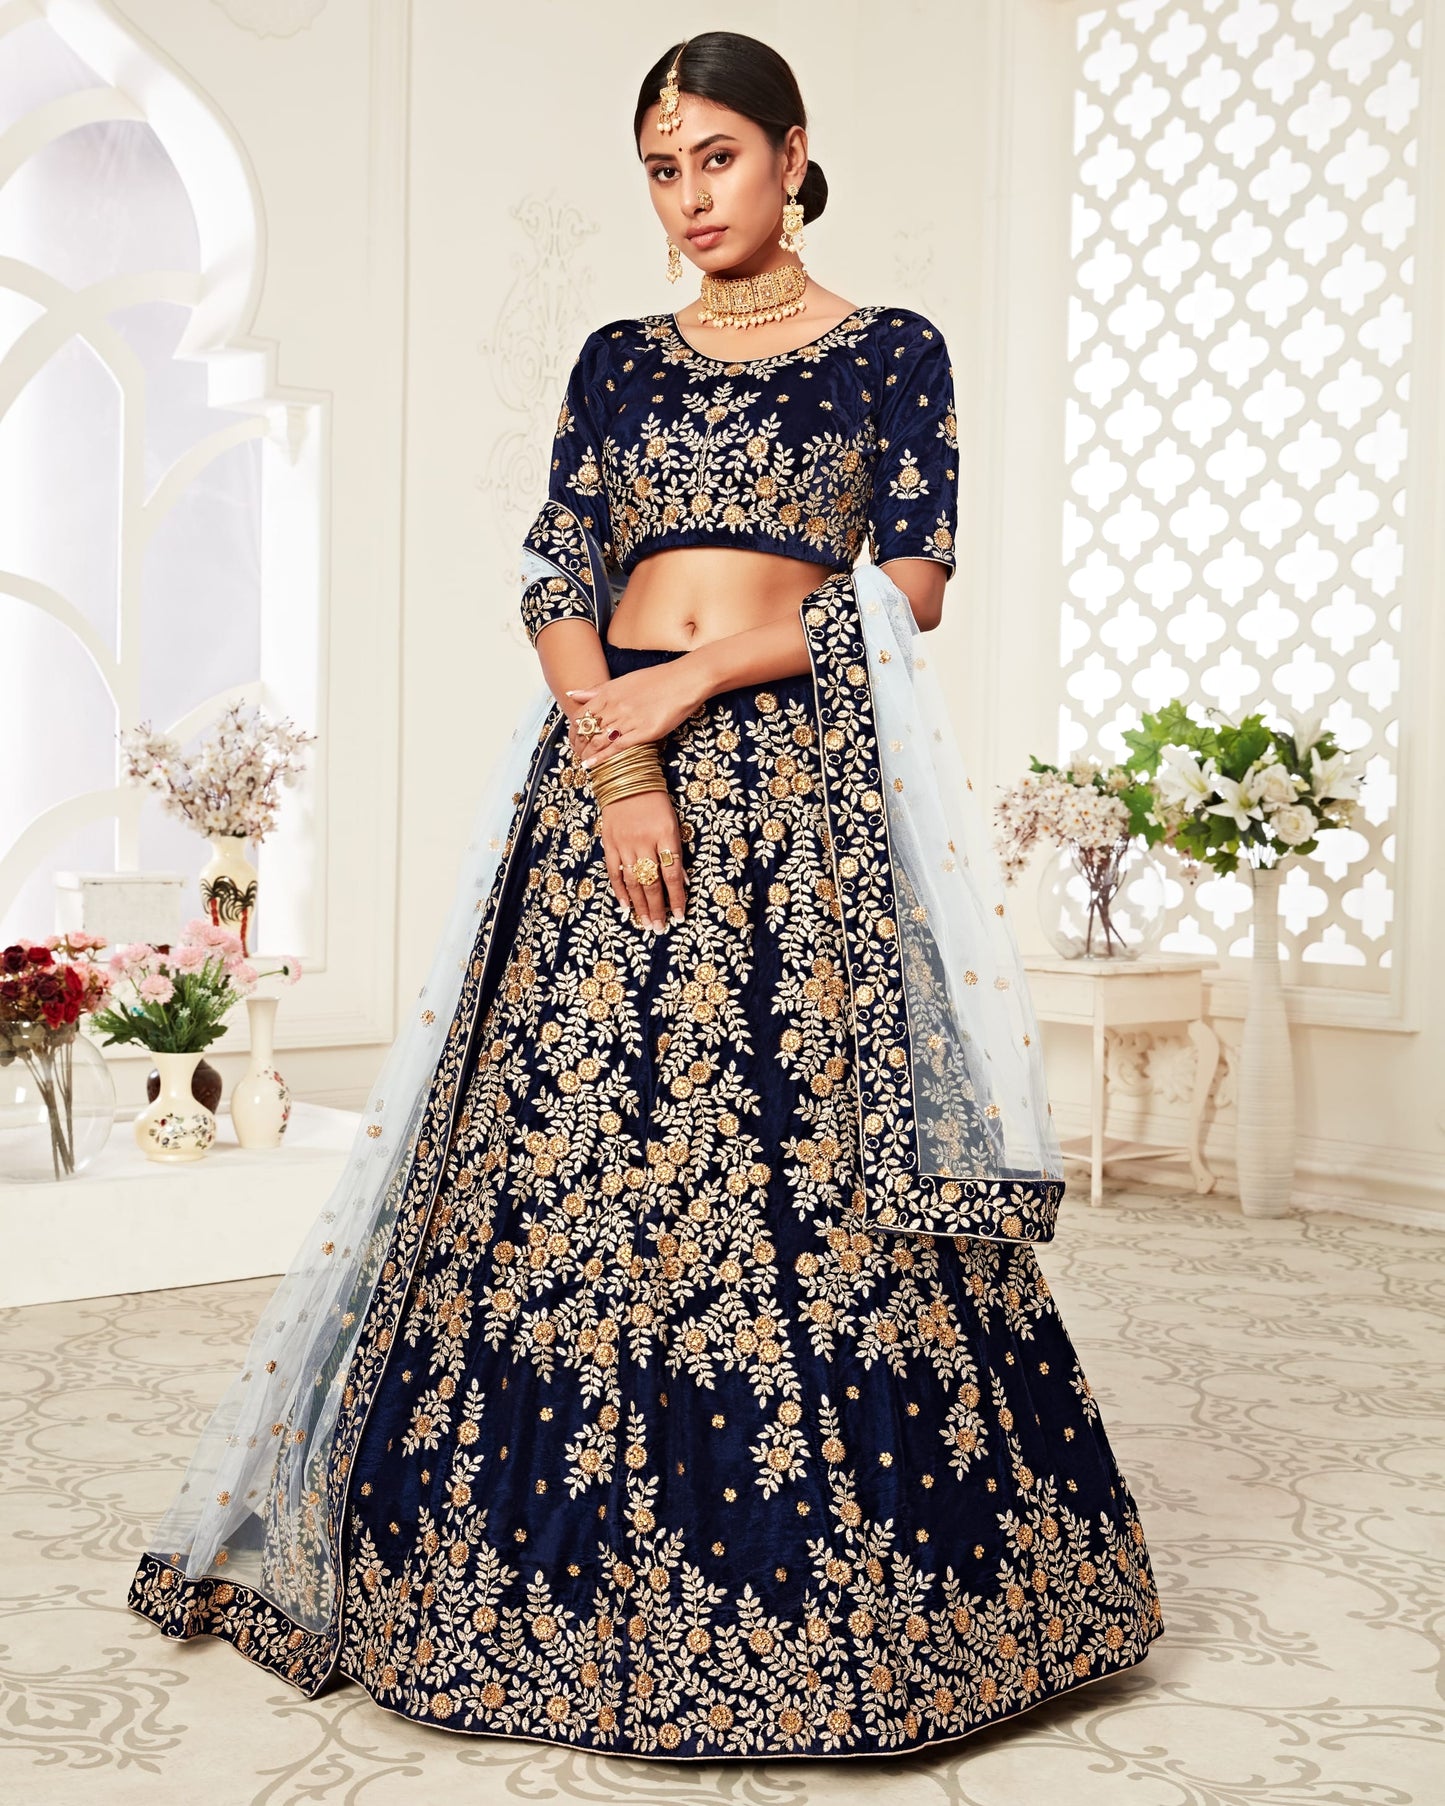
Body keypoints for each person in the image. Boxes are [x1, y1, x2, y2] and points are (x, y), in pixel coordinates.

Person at [127, 30, 1164, 1760]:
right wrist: (617, 749)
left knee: (804, 1158)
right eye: (663, 172)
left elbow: (907, 586)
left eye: (719, 162)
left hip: (793, 796)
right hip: (609, 781)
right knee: (578, 1159)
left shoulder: (890, 348)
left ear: (794, 154)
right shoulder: (618, 359)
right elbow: (556, 565)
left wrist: (694, 682)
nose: (691, 202)